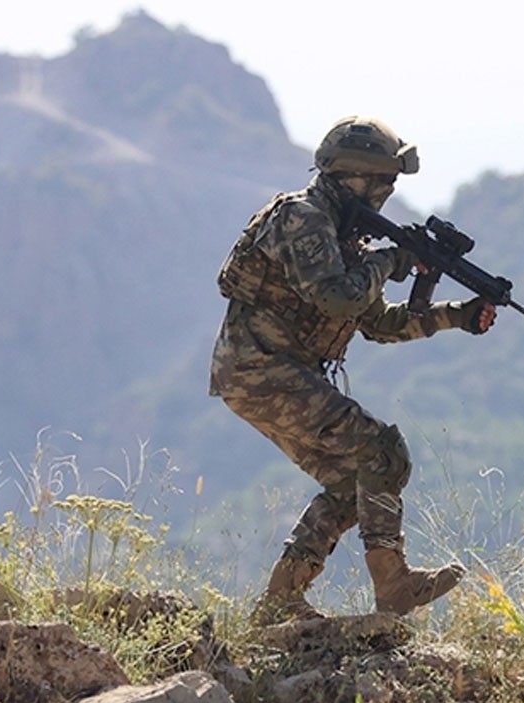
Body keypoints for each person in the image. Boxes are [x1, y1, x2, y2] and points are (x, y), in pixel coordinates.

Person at [209, 115, 496, 625]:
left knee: (352, 487)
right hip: (260, 370)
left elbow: (379, 324)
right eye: (383, 181)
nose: (388, 193)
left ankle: (280, 602)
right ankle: (394, 585)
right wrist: (390, 262)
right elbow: (337, 298)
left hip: (268, 374)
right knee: (382, 452)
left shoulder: (344, 240)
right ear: (353, 177)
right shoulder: (303, 218)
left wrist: (458, 315)